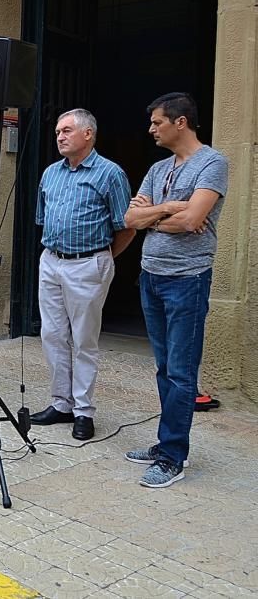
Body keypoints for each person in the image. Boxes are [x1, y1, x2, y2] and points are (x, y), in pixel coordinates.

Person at [123, 92, 228, 488]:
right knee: (165, 367)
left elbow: (194, 220)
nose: (151, 129)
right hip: (151, 274)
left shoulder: (212, 163)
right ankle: (165, 443)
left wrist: (160, 214)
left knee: (182, 372)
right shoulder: (158, 167)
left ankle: (172, 456)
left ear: (180, 122)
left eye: (157, 122)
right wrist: (169, 209)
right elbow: (131, 218)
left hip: (188, 278)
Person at [31, 109, 134, 441]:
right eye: (58, 131)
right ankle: (61, 403)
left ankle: (83, 411)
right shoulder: (50, 173)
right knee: (53, 335)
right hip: (51, 260)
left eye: (67, 131)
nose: (60, 136)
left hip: (88, 263)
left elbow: (126, 226)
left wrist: (101, 259)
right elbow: (42, 218)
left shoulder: (110, 173)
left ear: (88, 134)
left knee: (84, 340)